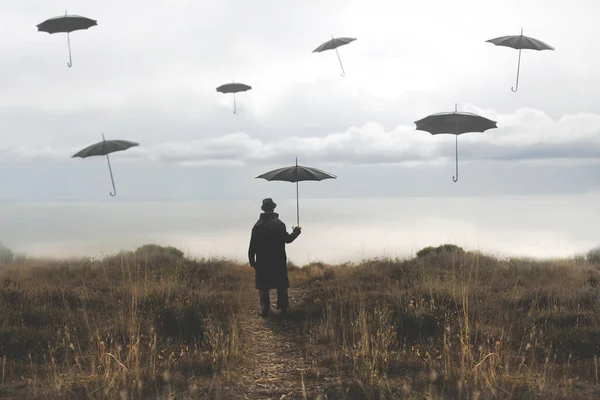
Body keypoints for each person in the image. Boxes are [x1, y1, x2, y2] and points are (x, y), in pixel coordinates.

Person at [248, 198, 301, 317]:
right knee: (281, 284)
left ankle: (264, 309)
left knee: (263, 285)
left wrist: (252, 260)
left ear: (263, 209)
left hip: (263, 260)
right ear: (273, 208)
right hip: (278, 259)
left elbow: (253, 245)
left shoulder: (257, 225)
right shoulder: (279, 224)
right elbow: (288, 239)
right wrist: (296, 232)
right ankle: (283, 308)